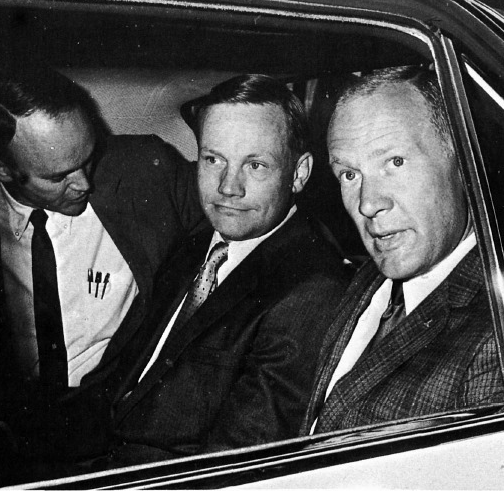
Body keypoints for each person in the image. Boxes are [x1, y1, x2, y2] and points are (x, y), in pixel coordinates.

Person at [58, 73, 349, 468]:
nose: (228, 187)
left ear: (298, 174)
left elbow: (237, 463)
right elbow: (119, 379)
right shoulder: (199, 243)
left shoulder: (311, 287)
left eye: (256, 165)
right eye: (213, 160)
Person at [0, 67, 206, 447]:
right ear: (2, 170)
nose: (84, 183)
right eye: (58, 177)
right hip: (10, 433)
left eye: (88, 158)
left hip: (123, 418)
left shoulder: (145, 171)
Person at [302, 65, 504, 434]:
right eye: (350, 174)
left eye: (395, 162)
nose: (367, 203)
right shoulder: (370, 283)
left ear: (463, 161)